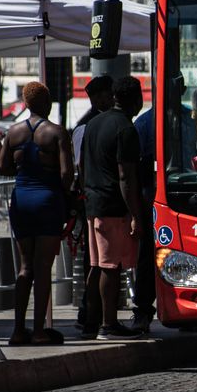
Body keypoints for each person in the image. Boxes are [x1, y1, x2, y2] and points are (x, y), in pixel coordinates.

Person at [0, 82, 73, 346]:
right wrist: (69, 196)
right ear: (47, 103)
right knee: (43, 269)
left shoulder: (13, 132)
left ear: (26, 103)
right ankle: (39, 331)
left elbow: (2, 167)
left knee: (25, 267)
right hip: (47, 200)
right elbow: (66, 174)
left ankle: (18, 330)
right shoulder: (56, 132)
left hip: (22, 200)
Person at [80, 76, 145, 340]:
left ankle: (90, 322)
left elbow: (83, 166)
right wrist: (136, 215)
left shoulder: (93, 123)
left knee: (97, 265)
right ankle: (108, 325)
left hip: (93, 204)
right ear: (136, 99)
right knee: (111, 266)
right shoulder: (126, 128)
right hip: (113, 207)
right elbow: (125, 176)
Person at [71, 75, 114, 332]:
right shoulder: (85, 127)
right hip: (92, 201)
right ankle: (88, 312)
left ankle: (92, 312)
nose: (111, 99)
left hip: (93, 198)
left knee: (98, 260)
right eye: (107, 94)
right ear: (97, 98)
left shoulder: (98, 123)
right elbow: (81, 167)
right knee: (94, 260)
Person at [132, 103, 156, 333]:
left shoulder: (143, 122)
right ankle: (143, 309)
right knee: (147, 254)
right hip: (150, 193)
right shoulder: (144, 123)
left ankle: (143, 309)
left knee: (148, 254)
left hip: (157, 192)